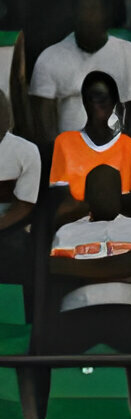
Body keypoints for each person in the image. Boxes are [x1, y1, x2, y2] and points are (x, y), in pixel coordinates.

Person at [46, 166, 131, 356]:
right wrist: (117, 267)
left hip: (127, 311)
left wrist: (81, 269)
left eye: (110, 190)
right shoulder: (67, 231)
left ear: (119, 195)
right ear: (87, 196)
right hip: (78, 311)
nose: (104, 196)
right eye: (97, 191)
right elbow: (57, 267)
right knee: (46, 344)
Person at [30, 0, 131, 142]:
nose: (87, 16)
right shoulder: (50, 58)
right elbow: (43, 122)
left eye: (92, 9)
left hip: (120, 153)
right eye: (81, 10)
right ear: (73, 14)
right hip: (69, 154)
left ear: (106, 15)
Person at [47, 72, 131, 226]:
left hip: (119, 226)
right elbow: (60, 199)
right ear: (84, 102)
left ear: (114, 102)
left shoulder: (129, 146)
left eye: (103, 98)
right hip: (75, 224)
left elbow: (129, 201)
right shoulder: (65, 142)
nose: (97, 104)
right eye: (91, 98)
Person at [0, 100, 37, 286]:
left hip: (9, 229)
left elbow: (25, 205)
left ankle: (10, 312)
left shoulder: (26, 151)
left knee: (16, 246)